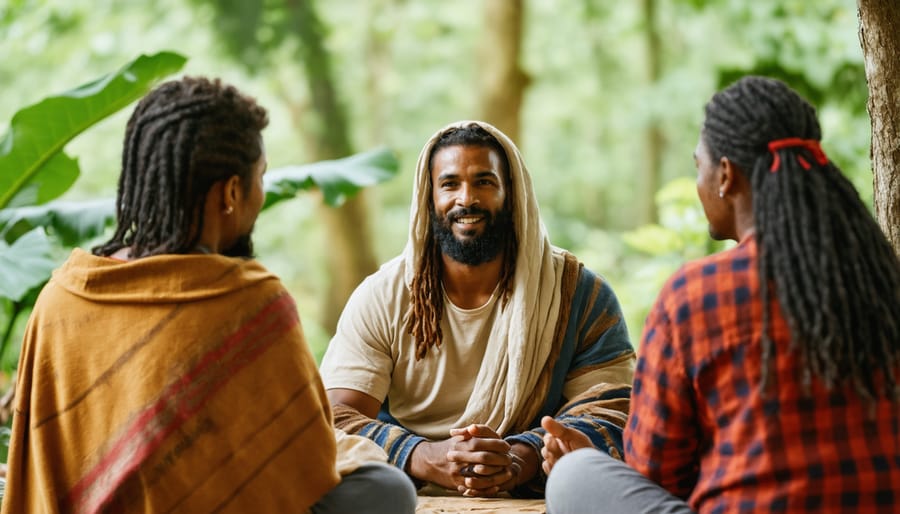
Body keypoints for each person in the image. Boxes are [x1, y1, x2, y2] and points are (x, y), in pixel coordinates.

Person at [0, 76, 416, 514]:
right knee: (386, 488)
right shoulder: (252, 301)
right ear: (232, 193)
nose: (261, 194)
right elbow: (304, 459)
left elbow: (42, 471)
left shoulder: (60, 299)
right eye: (261, 178)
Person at [542, 76, 900, 513]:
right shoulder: (883, 281)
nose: (699, 182)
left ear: (726, 175)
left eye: (699, 167)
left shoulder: (695, 295)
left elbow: (656, 472)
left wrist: (592, 457)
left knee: (576, 476)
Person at [318, 120, 635, 498]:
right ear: (428, 196)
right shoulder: (383, 296)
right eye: (450, 184)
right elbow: (333, 418)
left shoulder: (576, 295)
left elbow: (615, 410)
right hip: (405, 491)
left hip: (539, 492)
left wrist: (521, 457)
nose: (466, 199)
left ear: (511, 194)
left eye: (484, 182)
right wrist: (423, 455)